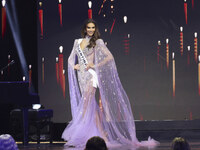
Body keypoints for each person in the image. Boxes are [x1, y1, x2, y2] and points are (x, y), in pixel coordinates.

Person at [62, 19, 158, 148]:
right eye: (89, 28)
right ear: (85, 29)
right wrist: (74, 66)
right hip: (81, 77)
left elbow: (109, 57)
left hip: (91, 76)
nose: (91, 30)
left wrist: (94, 64)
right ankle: (102, 135)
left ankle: (78, 129)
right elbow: (70, 58)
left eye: (93, 28)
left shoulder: (97, 42)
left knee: (85, 104)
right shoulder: (78, 42)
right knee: (91, 106)